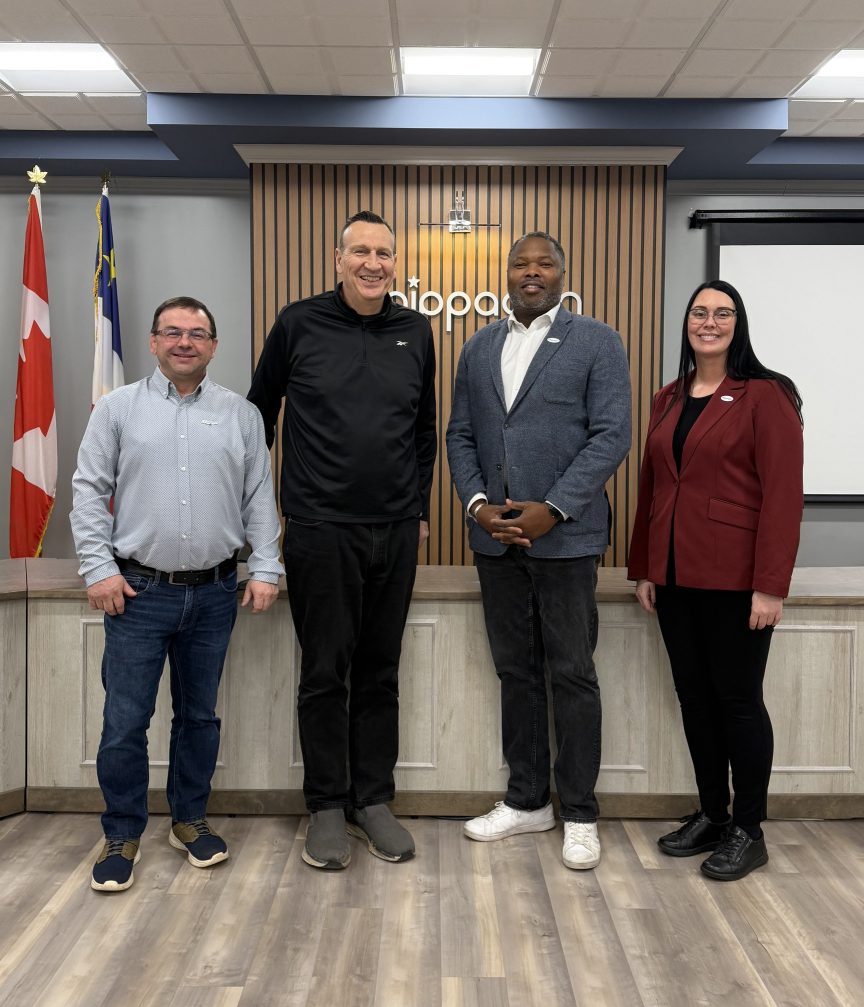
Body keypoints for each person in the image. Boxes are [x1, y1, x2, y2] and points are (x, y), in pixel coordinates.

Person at [70, 296, 283, 892]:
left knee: (199, 718)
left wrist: (266, 566)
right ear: (153, 341)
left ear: (213, 345)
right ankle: (122, 833)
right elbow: (88, 490)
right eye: (172, 332)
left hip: (215, 594)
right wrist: (98, 569)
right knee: (124, 722)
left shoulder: (241, 415)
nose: (184, 342)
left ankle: (189, 820)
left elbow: (259, 497)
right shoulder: (118, 410)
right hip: (137, 592)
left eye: (197, 333)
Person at [248, 211, 437, 870]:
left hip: (395, 531)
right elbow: (257, 417)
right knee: (325, 673)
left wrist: (417, 508)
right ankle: (327, 804)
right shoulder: (298, 323)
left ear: (395, 263)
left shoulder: (415, 330)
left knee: (380, 670)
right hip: (319, 528)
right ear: (338, 259)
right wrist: (262, 514)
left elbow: (424, 429)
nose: (372, 263)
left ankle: (372, 801)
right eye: (360, 251)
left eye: (384, 253)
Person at [446, 231, 631, 870]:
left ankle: (579, 812)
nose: (532, 272)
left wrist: (552, 509)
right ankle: (528, 802)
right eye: (521, 263)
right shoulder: (479, 346)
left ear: (561, 273)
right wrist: (477, 505)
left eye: (544, 263)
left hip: (567, 540)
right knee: (516, 672)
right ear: (507, 274)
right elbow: (461, 434)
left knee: (572, 673)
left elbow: (611, 435)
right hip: (495, 540)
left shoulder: (597, 341)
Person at [628, 279, 803, 881]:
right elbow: (654, 487)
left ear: (738, 324)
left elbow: (783, 497)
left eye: (722, 313)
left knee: (738, 702)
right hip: (675, 579)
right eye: (699, 312)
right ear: (687, 323)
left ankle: (748, 830)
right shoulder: (668, 397)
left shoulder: (766, 395)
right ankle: (712, 814)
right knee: (695, 701)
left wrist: (770, 585)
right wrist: (645, 568)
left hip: (736, 581)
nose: (709, 322)